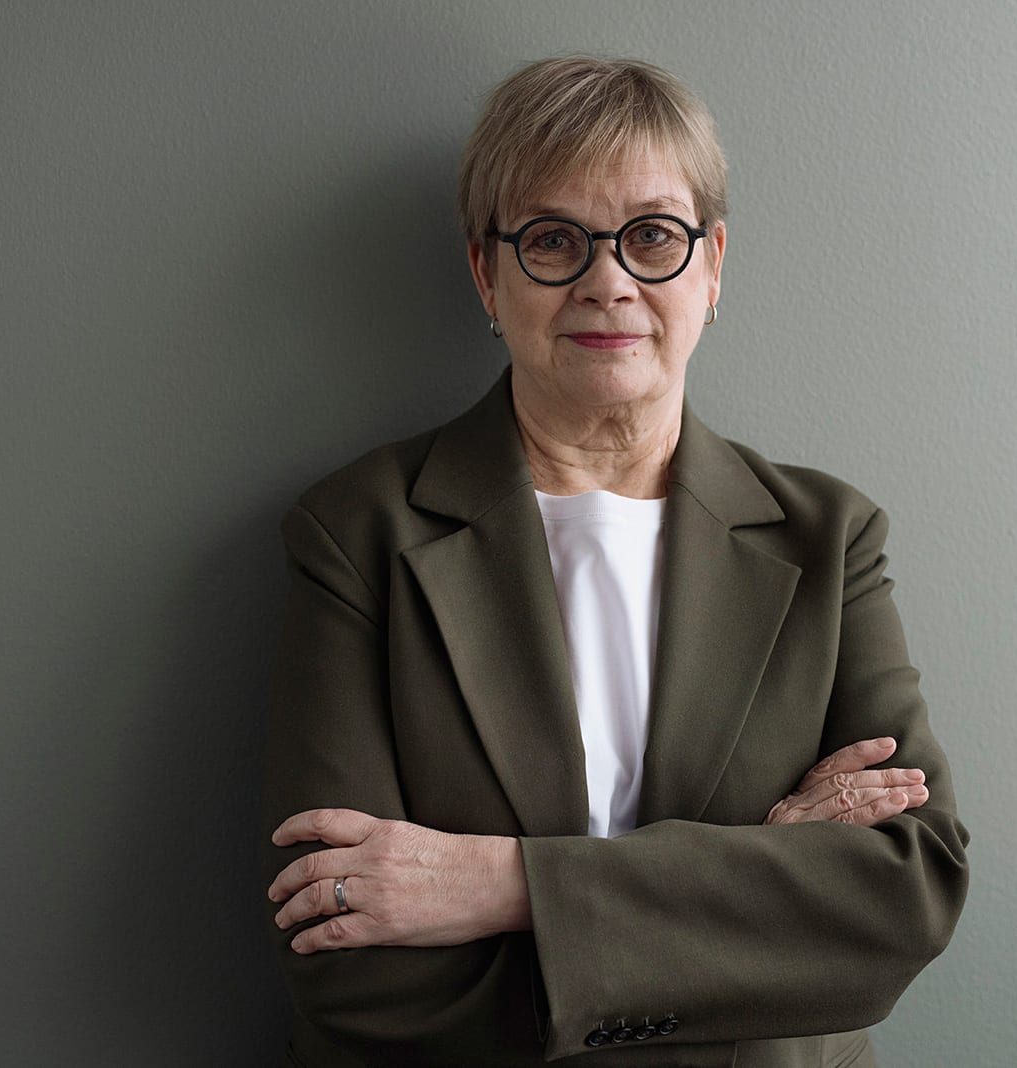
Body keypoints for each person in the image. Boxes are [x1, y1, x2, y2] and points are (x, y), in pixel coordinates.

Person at [262, 55, 968, 1068]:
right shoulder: (357, 533)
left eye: (653, 236)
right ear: (487, 275)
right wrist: (760, 892)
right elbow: (351, 972)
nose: (608, 281)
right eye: (553, 239)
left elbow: (905, 899)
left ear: (712, 266)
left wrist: (504, 884)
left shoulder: (829, 537)